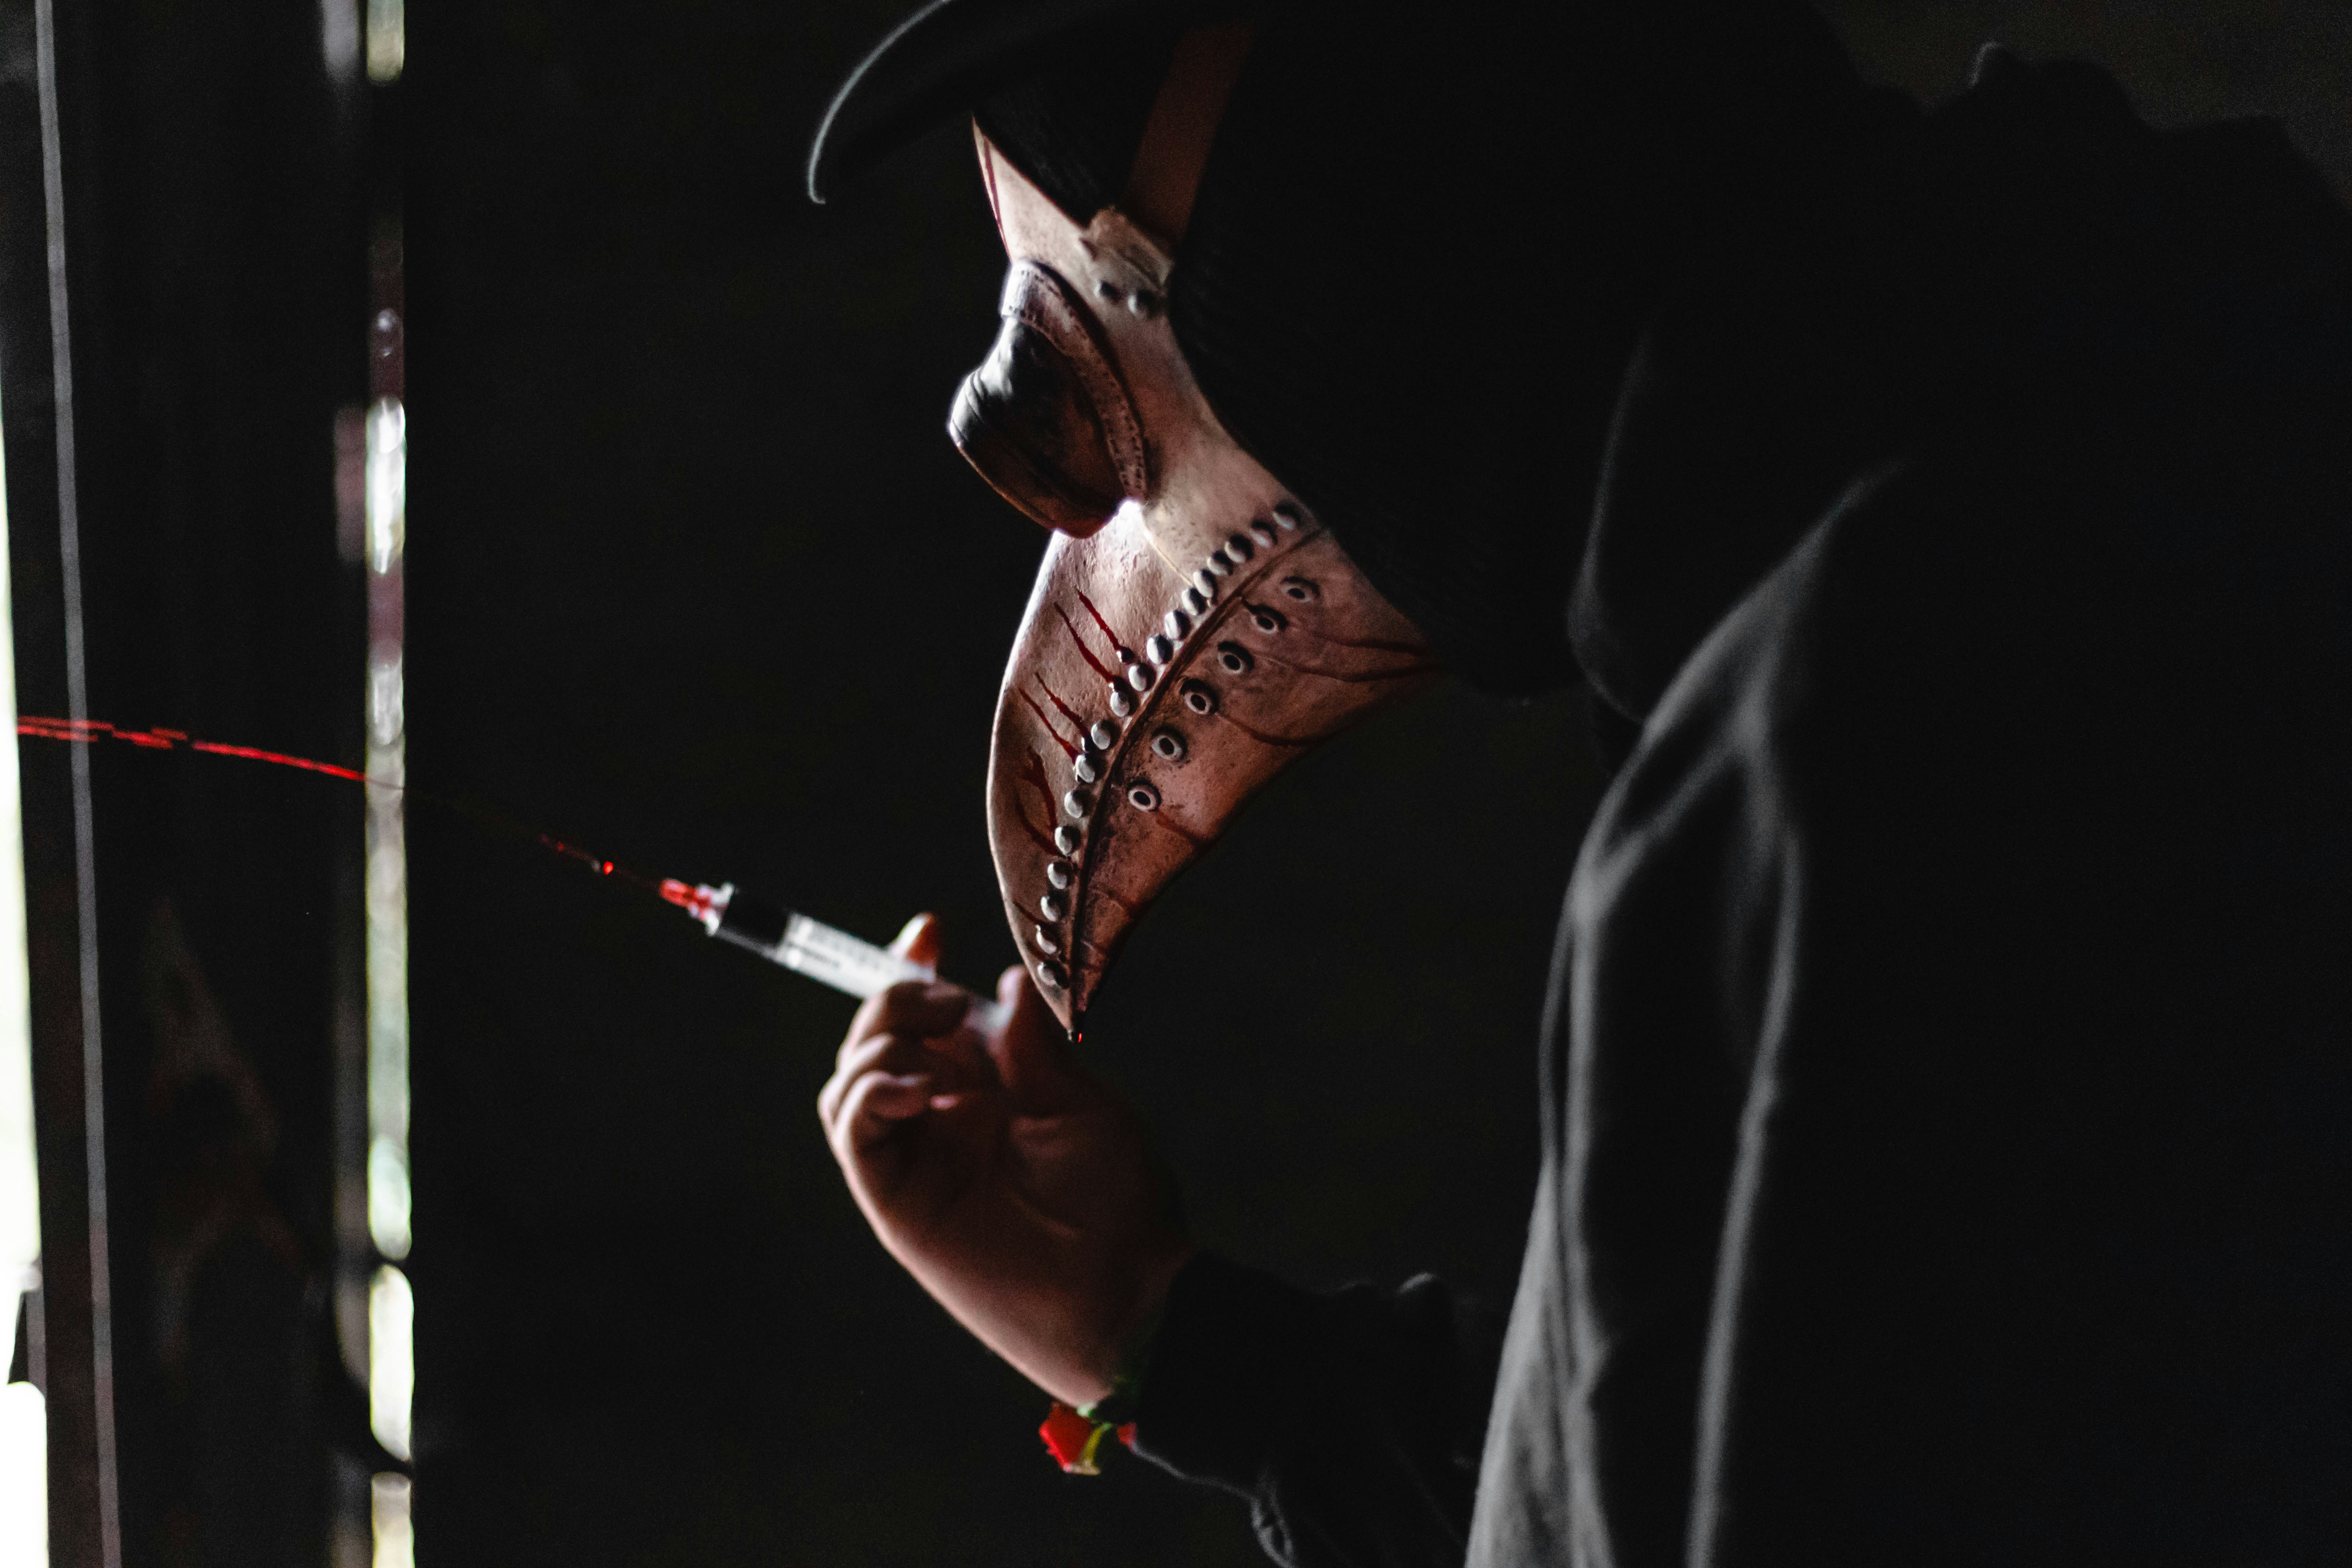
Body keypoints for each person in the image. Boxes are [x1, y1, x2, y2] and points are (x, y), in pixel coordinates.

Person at [809, 1, 2352, 1562]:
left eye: (1092, 349)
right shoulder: (2179, 389)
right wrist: (1183, 1345)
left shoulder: (1876, 715)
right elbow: (1810, 1437)